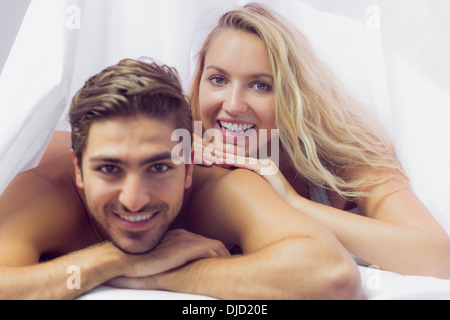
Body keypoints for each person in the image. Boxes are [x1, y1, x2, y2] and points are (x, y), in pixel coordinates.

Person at [0, 58, 362, 299]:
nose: (134, 199)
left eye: (158, 168)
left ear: (189, 167)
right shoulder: (44, 191)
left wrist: (161, 276)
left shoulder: (220, 187)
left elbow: (330, 275)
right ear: (79, 169)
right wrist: (117, 260)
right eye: (109, 169)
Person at [191, 3, 450, 277]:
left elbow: (440, 260)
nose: (233, 105)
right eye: (218, 79)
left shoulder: (344, 157)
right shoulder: (180, 149)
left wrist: (292, 202)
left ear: (293, 95)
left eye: (261, 85)